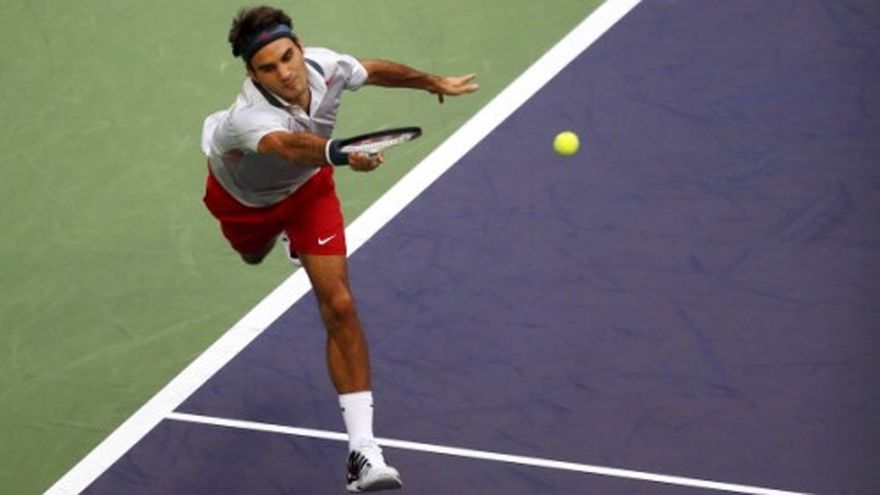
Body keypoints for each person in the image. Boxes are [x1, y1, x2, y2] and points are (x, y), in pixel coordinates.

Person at [200, 5, 479, 492]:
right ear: (252, 75)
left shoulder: (324, 66)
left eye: (288, 57)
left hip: (310, 191)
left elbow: (371, 70)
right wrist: (342, 154)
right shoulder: (247, 118)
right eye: (268, 67)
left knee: (341, 305)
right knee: (251, 255)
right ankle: (283, 239)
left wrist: (431, 81)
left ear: (299, 46)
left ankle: (363, 453)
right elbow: (288, 147)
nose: (285, 73)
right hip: (245, 203)